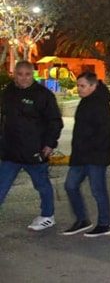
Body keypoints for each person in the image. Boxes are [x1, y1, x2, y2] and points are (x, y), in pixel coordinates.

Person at [0, 60, 64, 232]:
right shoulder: (7, 93)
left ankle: (47, 216)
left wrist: (50, 144)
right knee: (1, 185)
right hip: (10, 152)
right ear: (14, 74)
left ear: (32, 74)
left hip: (34, 152)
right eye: (20, 74)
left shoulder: (43, 95)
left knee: (42, 185)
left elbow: (55, 122)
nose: (23, 78)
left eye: (27, 74)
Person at [61, 72, 110, 238]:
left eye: (82, 86)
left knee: (98, 191)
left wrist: (92, 149)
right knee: (70, 185)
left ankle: (104, 224)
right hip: (80, 156)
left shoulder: (101, 104)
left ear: (93, 86)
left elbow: (105, 132)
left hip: (95, 156)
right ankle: (82, 219)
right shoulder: (85, 102)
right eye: (78, 85)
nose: (79, 89)